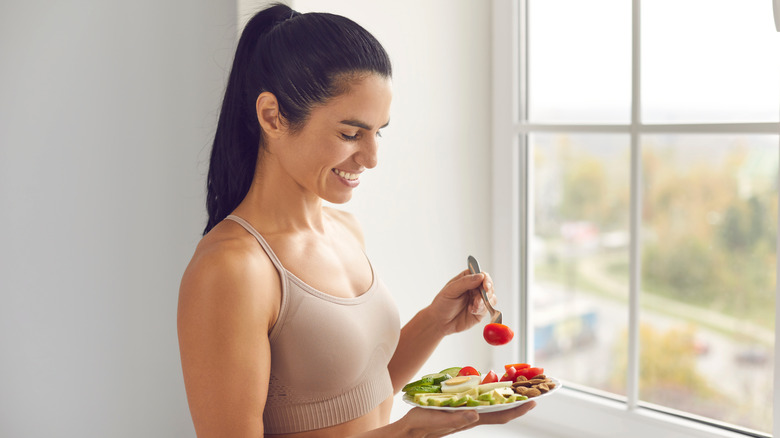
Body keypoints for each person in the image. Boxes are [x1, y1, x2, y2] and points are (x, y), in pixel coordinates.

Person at [177, 3, 535, 437]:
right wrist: (406, 433)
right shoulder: (232, 269)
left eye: (377, 131)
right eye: (350, 134)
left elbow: (358, 391)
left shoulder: (345, 230)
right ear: (272, 116)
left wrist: (435, 322)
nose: (371, 158)